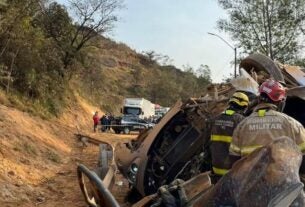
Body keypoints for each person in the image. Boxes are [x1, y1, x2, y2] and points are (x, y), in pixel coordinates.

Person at [229, 79, 305, 174]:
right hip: (283, 186)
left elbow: (234, 161)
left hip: (251, 186)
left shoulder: (242, 126)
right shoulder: (292, 124)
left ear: (259, 98)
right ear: (280, 101)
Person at [210, 91, 249, 182]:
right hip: (232, 171)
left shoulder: (215, 119)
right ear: (244, 106)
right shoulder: (241, 121)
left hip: (216, 168)